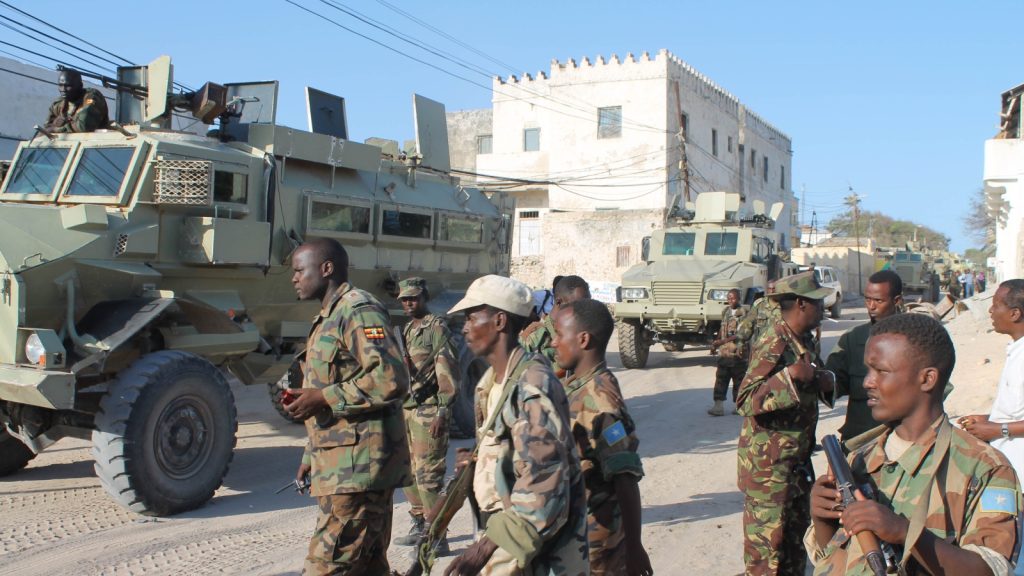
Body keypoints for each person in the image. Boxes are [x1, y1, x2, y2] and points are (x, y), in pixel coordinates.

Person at [808, 313, 1021, 575]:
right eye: (868, 370)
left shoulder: (984, 468)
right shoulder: (860, 460)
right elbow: (835, 557)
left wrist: (904, 532)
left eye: (881, 371)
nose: (867, 382)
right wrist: (823, 519)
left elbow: (989, 569)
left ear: (927, 379)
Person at [284, 238, 412, 575]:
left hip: (359, 471)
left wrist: (323, 397)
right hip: (341, 465)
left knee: (327, 566)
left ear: (326, 269)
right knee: (367, 567)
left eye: (299, 270)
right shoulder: (329, 316)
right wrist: (312, 453)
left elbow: (391, 378)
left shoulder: (358, 310)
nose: (294, 278)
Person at [444, 274, 587, 576]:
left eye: (472, 318)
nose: (465, 328)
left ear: (499, 321)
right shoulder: (490, 383)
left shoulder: (531, 385)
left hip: (529, 550)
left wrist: (485, 549)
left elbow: (544, 481)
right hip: (506, 536)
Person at [736, 271, 835, 576]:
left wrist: (822, 379)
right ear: (802, 304)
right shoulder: (774, 342)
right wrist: (788, 376)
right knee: (766, 559)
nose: (824, 308)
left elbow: (813, 377)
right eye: (818, 302)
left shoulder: (803, 340)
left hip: (795, 465)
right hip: (769, 474)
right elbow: (745, 400)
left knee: (794, 552)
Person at [552, 299, 653, 576]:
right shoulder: (577, 385)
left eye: (559, 334)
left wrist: (634, 548)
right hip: (575, 534)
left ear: (583, 339)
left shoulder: (602, 403)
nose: (553, 342)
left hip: (596, 545)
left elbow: (625, 478)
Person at [393, 277, 459, 552]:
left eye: (413, 298)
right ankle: (420, 523)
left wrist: (442, 410)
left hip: (430, 410)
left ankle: (437, 535)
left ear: (424, 297)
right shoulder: (408, 329)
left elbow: (447, 371)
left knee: (428, 475)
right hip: (408, 410)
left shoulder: (436, 327)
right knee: (407, 471)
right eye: (404, 299)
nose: (409, 303)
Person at [826, 270, 904, 441]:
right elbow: (833, 384)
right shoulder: (852, 339)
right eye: (867, 299)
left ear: (896, 300)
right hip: (860, 440)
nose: (871, 306)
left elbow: (938, 390)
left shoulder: (915, 338)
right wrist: (820, 380)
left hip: (901, 440)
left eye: (878, 301)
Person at [961, 280, 1024, 481]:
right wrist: (989, 418)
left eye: (996, 305)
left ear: (1014, 314)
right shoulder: (1016, 351)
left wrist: (997, 429)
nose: (990, 311)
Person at [520, 275, 591, 371]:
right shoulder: (534, 338)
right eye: (578, 306)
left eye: (587, 304)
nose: (584, 311)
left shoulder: (583, 335)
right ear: (559, 302)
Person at [708, 288, 749, 416]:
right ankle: (718, 407)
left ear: (739, 298)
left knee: (739, 381)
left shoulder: (744, 313)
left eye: (733, 298)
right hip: (725, 353)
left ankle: (739, 407)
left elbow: (741, 334)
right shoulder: (726, 311)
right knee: (721, 378)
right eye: (729, 298)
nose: (731, 300)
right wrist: (716, 342)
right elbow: (722, 328)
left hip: (738, 353)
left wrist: (722, 341)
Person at [44, 69, 110, 133]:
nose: (63, 89)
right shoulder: (58, 104)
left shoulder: (91, 97)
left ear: (80, 85)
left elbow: (84, 126)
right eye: (60, 85)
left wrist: (56, 129)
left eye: (68, 86)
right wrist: (55, 123)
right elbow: (47, 128)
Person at [736, 280, 780, 349]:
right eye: (770, 289)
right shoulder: (759, 305)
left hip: (779, 347)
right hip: (761, 347)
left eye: (774, 289)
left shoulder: (785, 305)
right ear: (767, 290)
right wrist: (740, 342)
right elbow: (749, 323)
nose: (772, 291)